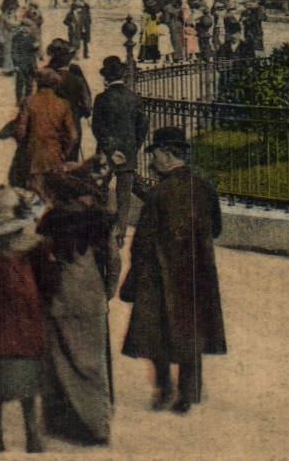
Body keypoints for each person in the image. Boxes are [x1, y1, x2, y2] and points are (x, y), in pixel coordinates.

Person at [121, 125, 226, 412]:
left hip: (159, 273)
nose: (153, 160)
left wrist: (133, 277)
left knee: (156, 332)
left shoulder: (159, 194)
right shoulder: (204, 185)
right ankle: (188, 394)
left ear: (167, 154)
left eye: (154, 154)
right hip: (196, 274)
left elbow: (143, 240)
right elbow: (215, 228)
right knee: (191, 330)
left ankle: (164, 390)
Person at [0, 184, 56, 454]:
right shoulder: (35, 248)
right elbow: (50, 284)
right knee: (28, 386)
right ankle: (33, 438)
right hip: (27, 328)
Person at [38, 166, 120, 446]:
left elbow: (41, 257)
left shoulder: (53, 219)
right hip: (92, 295)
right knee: (92, 363)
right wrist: (106, 292)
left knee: (60, 359)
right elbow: (114, 259)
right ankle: (98, 426)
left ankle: (63, 423)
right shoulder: (101, 219)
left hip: (62, 295)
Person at [91, 55, 149, 244]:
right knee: (124, 197)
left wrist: (110, 150)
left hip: (106, 155)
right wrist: (133, 147)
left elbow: (97, 128)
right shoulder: (134, 99)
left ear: (106, 78)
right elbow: (143, 127)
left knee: (101, 190)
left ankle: (101, 229)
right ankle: (120, 234)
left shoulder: (101, 99)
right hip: (128, 155)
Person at [13, 69, 78, 198]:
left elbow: (20, 131)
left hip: (34, 156)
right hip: (55, 155)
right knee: (54, 195)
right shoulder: (62, 104)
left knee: (35, 197)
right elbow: (72, 135)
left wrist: (26, 147)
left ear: (38, 83)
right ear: (55, 85)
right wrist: (64, 152)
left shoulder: (29, 102)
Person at [44, 38, 93, 160]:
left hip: (50, 128)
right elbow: (87, 104)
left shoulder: (44, 73)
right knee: (71, 163)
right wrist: (80, 112)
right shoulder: (75, 72)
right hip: (72, 126)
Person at [11, 16, 41, 105]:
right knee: (19, 83)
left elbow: (34, 50)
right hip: (20, 63)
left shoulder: (32, 37)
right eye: (24, 27)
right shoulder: (16, 37)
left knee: (29, 83)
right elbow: (14, 51)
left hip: (30, 63)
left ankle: (28, 100)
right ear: (20, 28)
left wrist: (36, 47)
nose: (26, 29)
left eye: (28, 27)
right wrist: (15, 64)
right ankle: (19, 100)